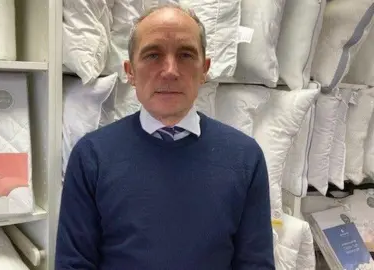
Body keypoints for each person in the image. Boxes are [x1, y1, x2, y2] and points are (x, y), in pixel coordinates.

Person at [55, 4, 274, 270]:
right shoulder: (92, 157)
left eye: (185, 54)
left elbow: (255, 264)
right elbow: (73, 264)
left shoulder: (245, 158)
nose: (170, 70)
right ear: (130, 72)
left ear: (204, 69)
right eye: (153, 55)